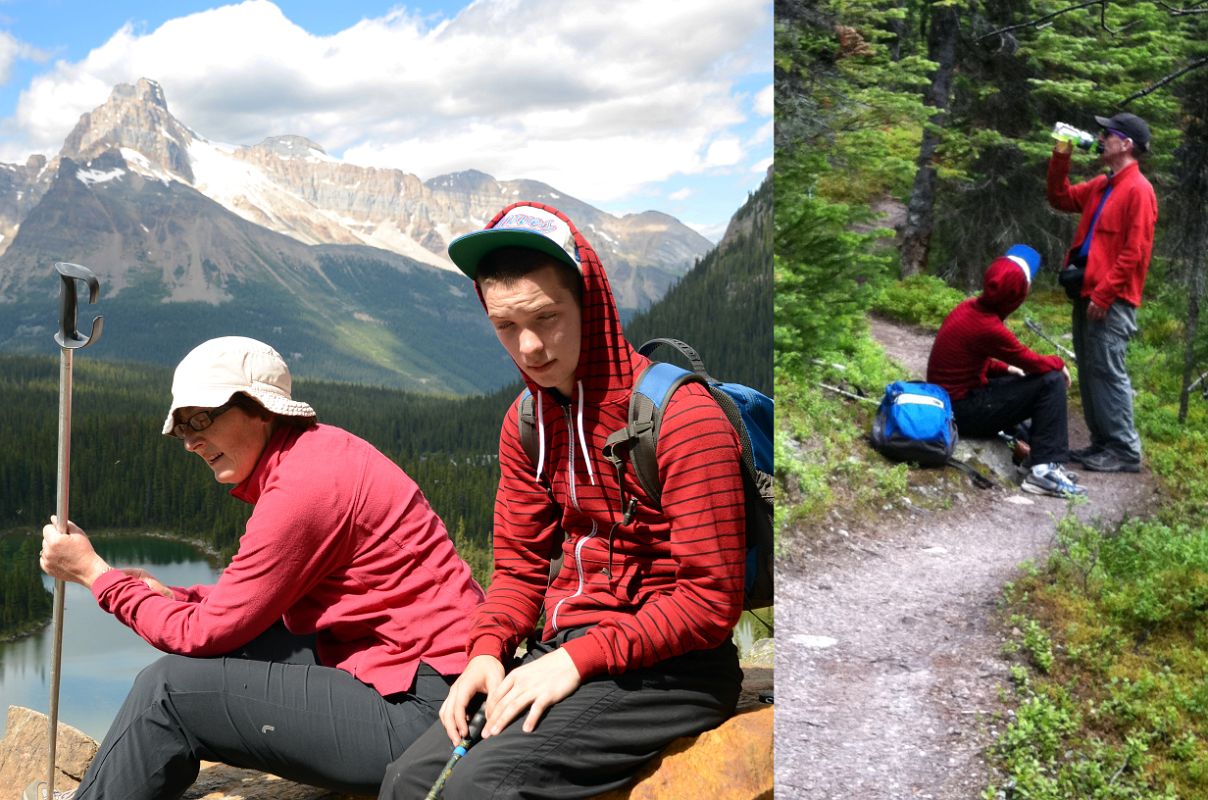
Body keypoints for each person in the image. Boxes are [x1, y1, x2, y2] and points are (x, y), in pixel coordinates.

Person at [378, 202, 747, 799]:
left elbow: (709, 601)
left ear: (589, 302)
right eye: (505, 326)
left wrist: (578, 661)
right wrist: (487, 650)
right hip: (567, 649)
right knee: (407, 781)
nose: (528, 347)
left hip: (676, 670)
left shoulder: (683, 419)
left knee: (482, 790)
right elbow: (520, 567)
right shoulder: (527, 422)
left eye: (547, 318)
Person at [28, 336, 484, 800]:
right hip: (428, 677)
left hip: (428, 713)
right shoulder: (318, 454)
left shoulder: (303, 489)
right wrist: (176, 598)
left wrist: (96, 576)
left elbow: (201, 634)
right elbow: (248, 601)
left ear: (262, 409)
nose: (190, 441)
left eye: (200, 419)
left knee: (166, 693)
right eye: (181, 428)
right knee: (242, 646)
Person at [1047, 111, 1158, 473]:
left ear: (1125, 144)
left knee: (1108, 372)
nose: (1100, 138)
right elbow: (1060, 197)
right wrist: (1062, 152)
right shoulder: (1103, 185)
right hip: (1087, 292)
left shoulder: (1138, 190)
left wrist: (1106, 294)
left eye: (1107, 133)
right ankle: (1102, 443)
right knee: (1092, 370)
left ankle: (1124, 450)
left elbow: (1134, 251)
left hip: (1111, 300)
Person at [927, 245, 1085, 498]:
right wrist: (1059, 362)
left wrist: (1006, 368)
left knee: (1026, 379)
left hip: (955, 403)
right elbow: (1032, 361)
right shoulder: (987, 325)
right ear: (1017, 296)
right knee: (1051, 380)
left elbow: (968, 360)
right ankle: (1043, 472)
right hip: (963, 411)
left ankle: (1041, 460)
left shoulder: (969, 309)